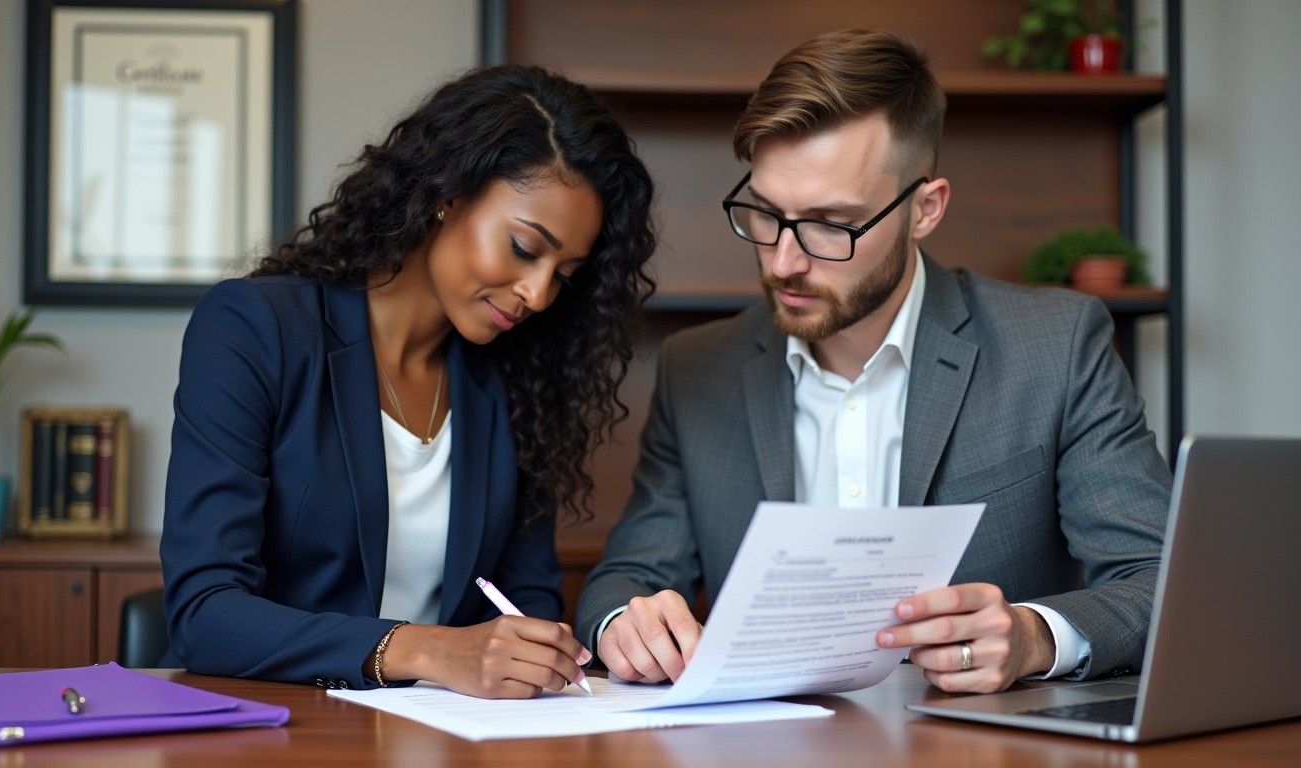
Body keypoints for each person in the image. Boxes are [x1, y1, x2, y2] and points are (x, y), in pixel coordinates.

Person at [576, 28, 1171, 695]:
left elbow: (1158, 578)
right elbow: (625, 581)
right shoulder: (697, 369)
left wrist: (1034, 635)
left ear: (924, 209)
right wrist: (627, 621)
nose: (784, 262)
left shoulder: (1055, 347)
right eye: (766, 214)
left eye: (832, 223)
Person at [160, 65, 656, 698]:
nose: (536, 293)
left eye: (564, 274)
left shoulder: (521, 384)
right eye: (526, 248)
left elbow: (523, 598)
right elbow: (205, 614)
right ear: (448, 195)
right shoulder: (255, 329)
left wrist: (533, 654)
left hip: (442, 734)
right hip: (271, 723)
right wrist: (426, 649)